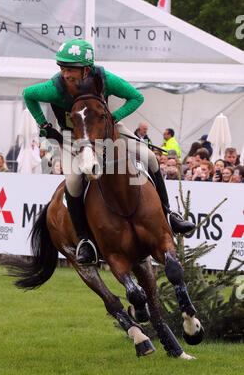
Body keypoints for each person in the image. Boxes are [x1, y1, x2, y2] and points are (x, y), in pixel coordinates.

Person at [22, 38, 195, 265]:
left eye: (70, 70)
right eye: (62, 68)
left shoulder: (104, 79)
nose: (65, 74)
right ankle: (85, 240)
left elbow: (137, 97)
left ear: (86, 70)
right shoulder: (55, 88)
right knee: (74, 181)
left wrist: (114, 119)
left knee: (150, 157)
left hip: (108, 132)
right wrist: (44, 125)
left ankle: (169, 215)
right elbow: (28, 94)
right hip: (73, 139)